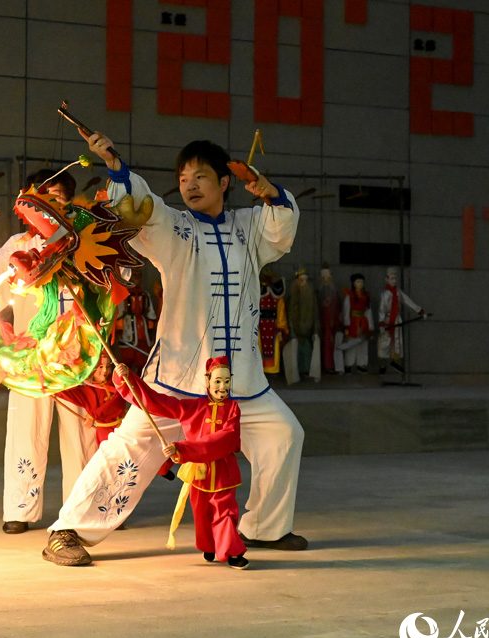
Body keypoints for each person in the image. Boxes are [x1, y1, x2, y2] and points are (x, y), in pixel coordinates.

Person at [42, 130, 306, 567]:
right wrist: (116, 167)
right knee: (130, 448)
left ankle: (264, 528)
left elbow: (282, 226)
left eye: (200, 177)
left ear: (225, 182)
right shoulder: (176, 227)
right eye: (183, 179)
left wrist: (270, 191)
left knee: (283, 434)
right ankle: (67, 531)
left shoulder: (249, 227)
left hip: (240, 383)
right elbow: (144, 209)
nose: (190, 185)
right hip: (177, 380)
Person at [0, 169, 97, 535]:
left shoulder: (85, 241)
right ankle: (20, 508)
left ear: (69, 201)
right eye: (42, 198)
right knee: (25, 429)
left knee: (81, 434)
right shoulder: (17, 245)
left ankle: (83, 509)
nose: (49, 205)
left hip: (78, 352)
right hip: (31, 354)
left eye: (57, 197)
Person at [114, 356, 249, 569]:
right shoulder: (193, 407)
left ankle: (232, 552)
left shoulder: (233, 409)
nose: (223, 387)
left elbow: (227, 439)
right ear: (207, 381)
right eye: (217, 381)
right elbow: (156, 402)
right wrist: (128, 380)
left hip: (223, 471)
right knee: (201, 512)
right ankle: (209, 545)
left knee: (225, 512)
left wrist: (183, 449)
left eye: (227, 381)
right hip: (198, 471)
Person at [377, 266, 426, 373]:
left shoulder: (398, 292)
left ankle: (395, 362)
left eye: (395, 278)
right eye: (391, 278)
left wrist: (420, 311)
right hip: (387, 320)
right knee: (384, 343)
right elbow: (381, 309)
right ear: (387, 279)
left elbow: (408, 301)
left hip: (396, 319)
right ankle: (383, 364)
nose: (394, 281)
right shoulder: (384, 294)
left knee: (396, 341)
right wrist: (381, 323)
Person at [114, 266, 157, 375]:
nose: (137, 278)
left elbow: (151, 314)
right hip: (128, 332)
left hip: (142, 332)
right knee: (126, 359)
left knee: (142, 361)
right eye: (134, 275)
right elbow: (119, 313)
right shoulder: (124, 295)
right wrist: (119, 330)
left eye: (139, 275)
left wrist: (151, 331)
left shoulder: (145, 295)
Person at [285, 266, 319, 382]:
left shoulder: (312, 297)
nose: (303, 283)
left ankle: (306, 371)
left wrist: (316, 330)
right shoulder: (292, 297)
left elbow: (316, 314)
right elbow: (289, 315)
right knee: (295, 352)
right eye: (301, 280)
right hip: (295, 331)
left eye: (305, 280)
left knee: (307, 351)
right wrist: (291, 331)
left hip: (308, 331)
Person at [257, 265, 289, 374]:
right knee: (260, 348)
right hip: (260, 326)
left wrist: (281, 327)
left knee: (274, 347)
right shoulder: (256, 291)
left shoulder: (277, 293)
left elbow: (280, 311)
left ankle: (272, 370)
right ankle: (261, 370)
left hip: (273, 326)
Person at [341, 273, 373, 373]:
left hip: (363, 322)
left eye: (362, 282)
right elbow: (346, 311)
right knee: (351, 344)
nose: (360, 284)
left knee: (362, 344)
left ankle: (361, 364)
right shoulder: (349, 296)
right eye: (358, 282)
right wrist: (346, 326)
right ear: (353, 283)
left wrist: (370, 327)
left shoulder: (366, 296)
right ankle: (348, 364)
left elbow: (368, 312)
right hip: (353, 322)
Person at [317, 265, 344, 375]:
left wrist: (337, 323)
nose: (326, 280)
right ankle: (324, 366)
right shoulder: (319, 293)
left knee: (330, 344)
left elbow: (338, 309)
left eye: (328, 278)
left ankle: (330, 366)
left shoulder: (335, 294)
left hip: (332, 322)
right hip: (321, 322)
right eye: (324, 278)